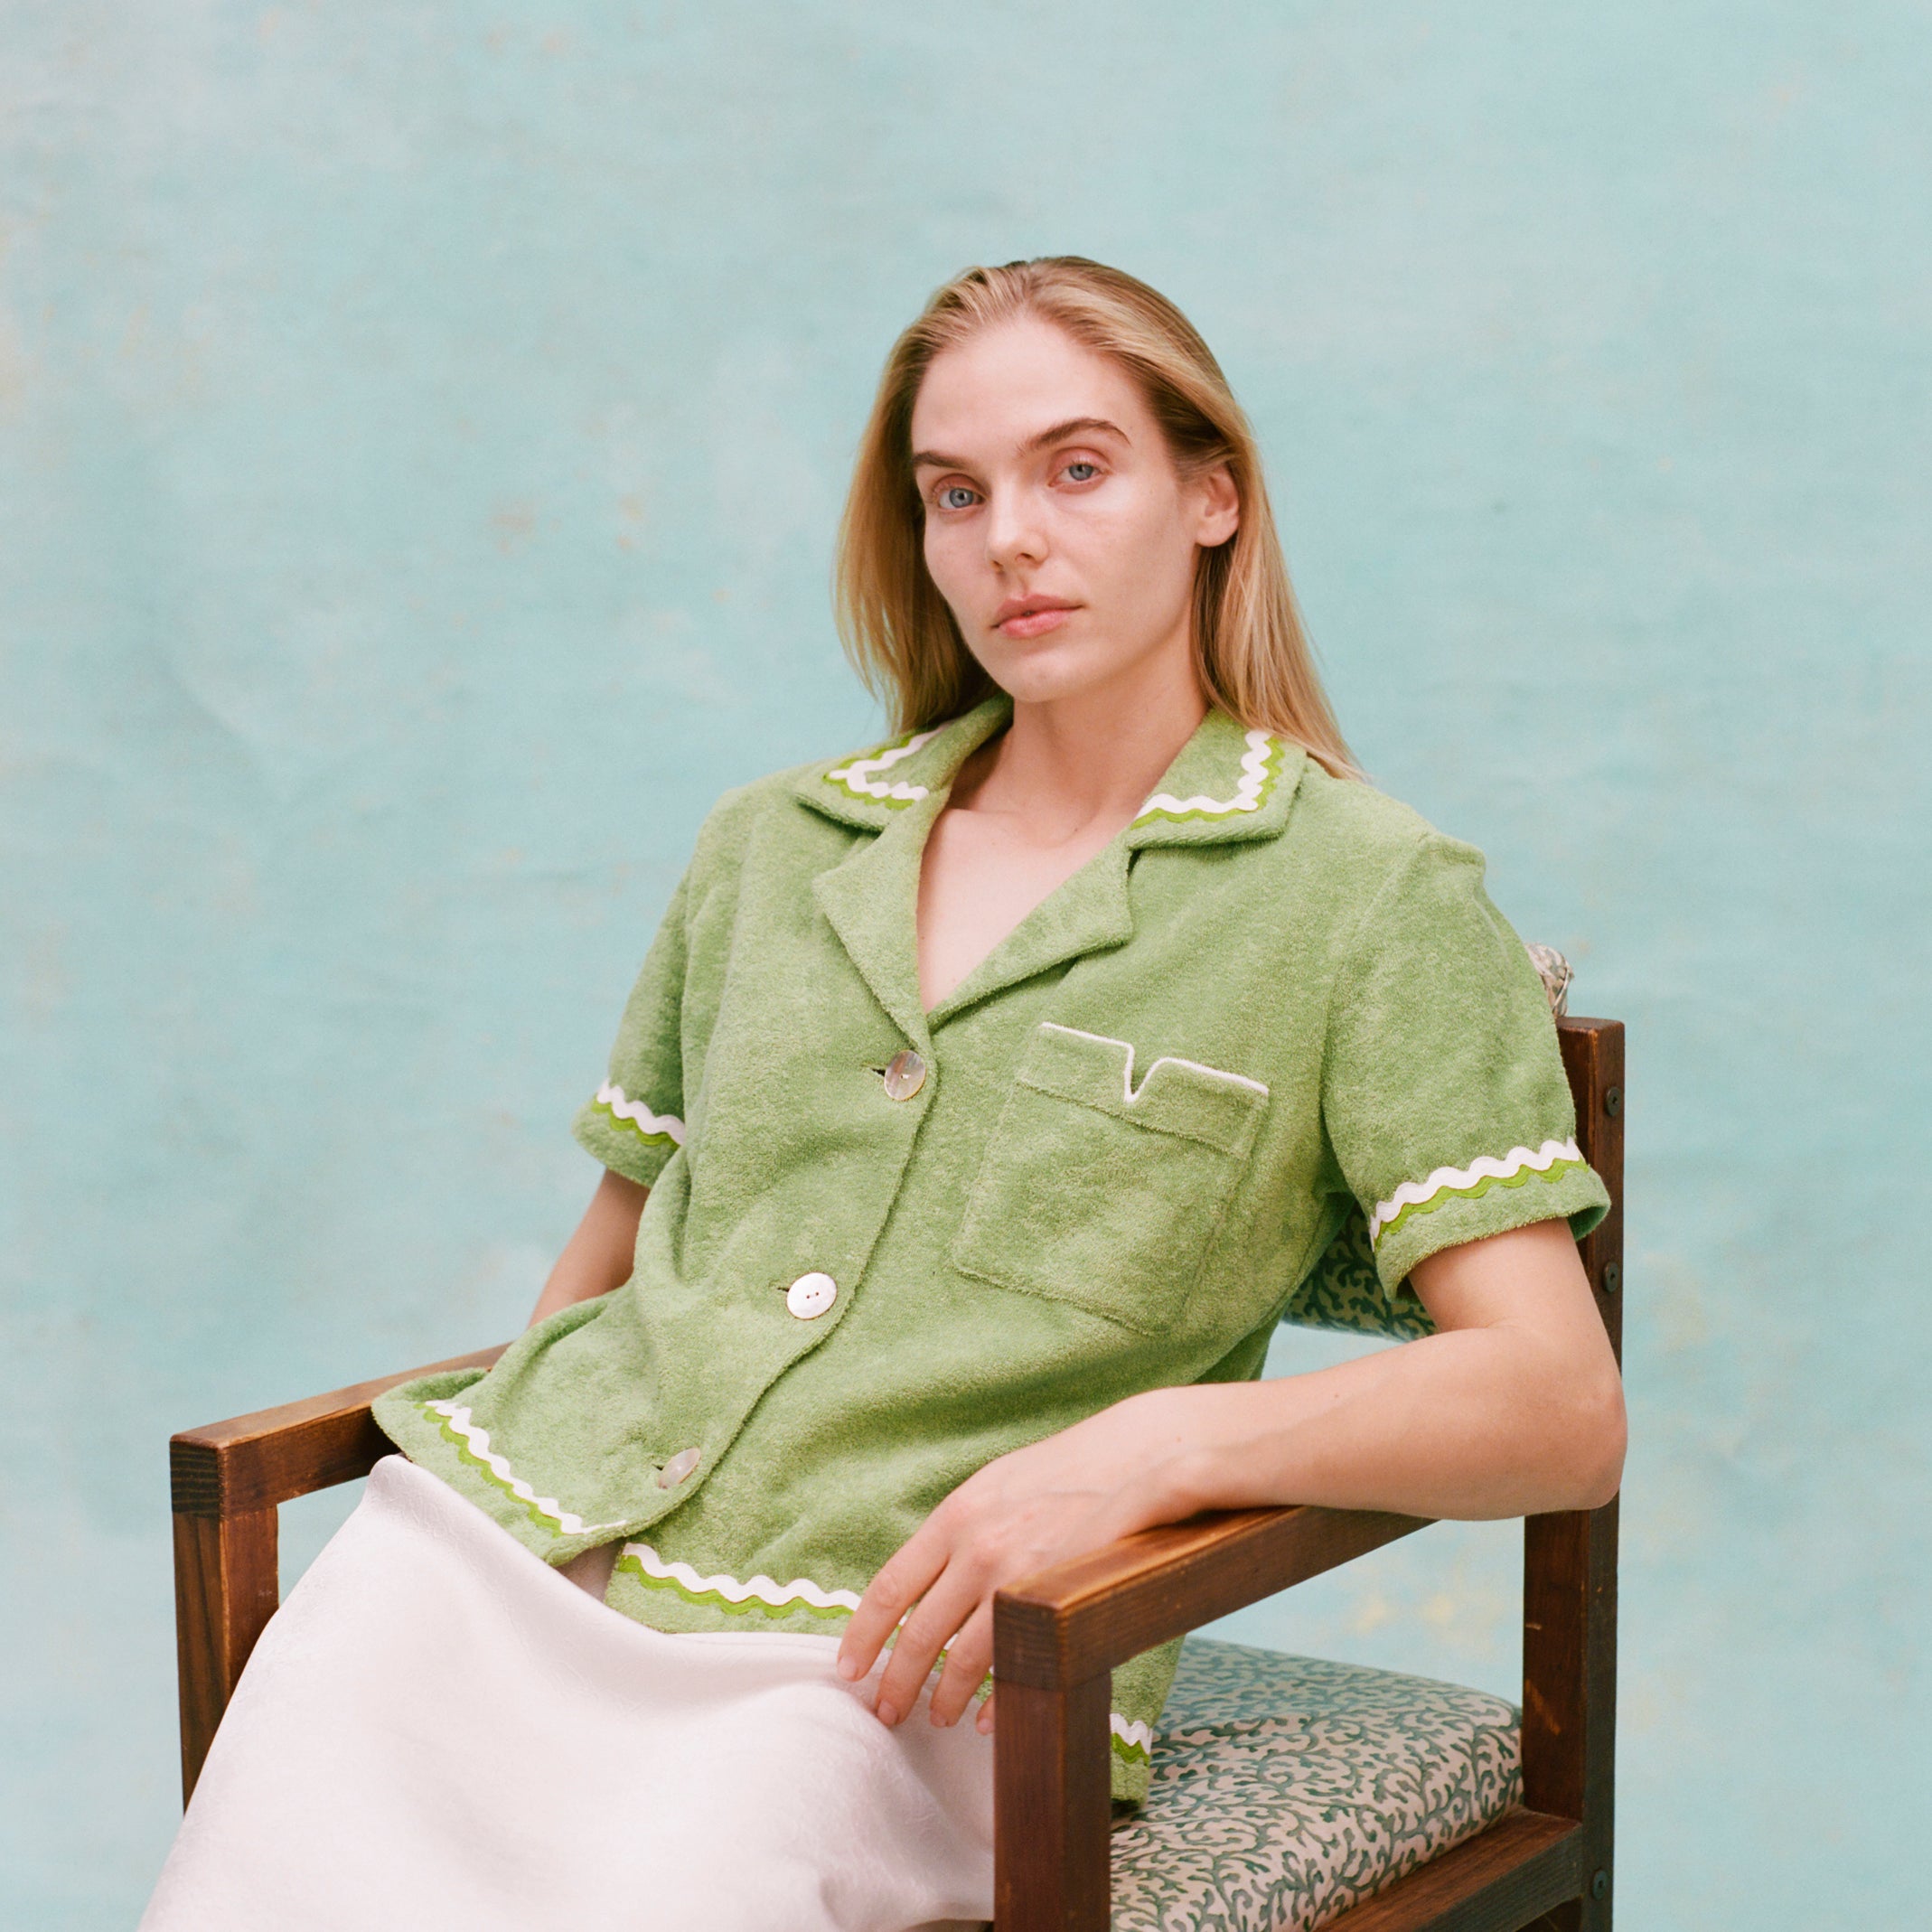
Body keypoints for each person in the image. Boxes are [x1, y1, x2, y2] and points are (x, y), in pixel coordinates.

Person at [142, 258, 1624, 1932]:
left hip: (897, 1658)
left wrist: (1149, 1447)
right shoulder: (772, 845)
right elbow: (613, 1266)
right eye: (952, 492)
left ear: (1210, 494)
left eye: (1077, 468)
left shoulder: (1367, 898)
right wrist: (506, 1495)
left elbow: (1559, 1408)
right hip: (498, 1561)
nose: (1008, 538)